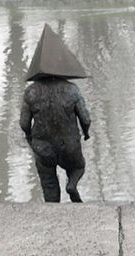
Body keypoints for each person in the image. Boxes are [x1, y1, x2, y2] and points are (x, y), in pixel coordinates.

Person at [20, 24, 92, 203]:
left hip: (43, 147)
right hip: (69, 145)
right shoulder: (72, 90)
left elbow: (23, 123)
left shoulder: (31, 92)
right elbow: (86, 118)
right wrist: (86, 133)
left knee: (49, 184)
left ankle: (53, 212)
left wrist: (29, 137)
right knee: (78, 168)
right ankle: (72, 185)